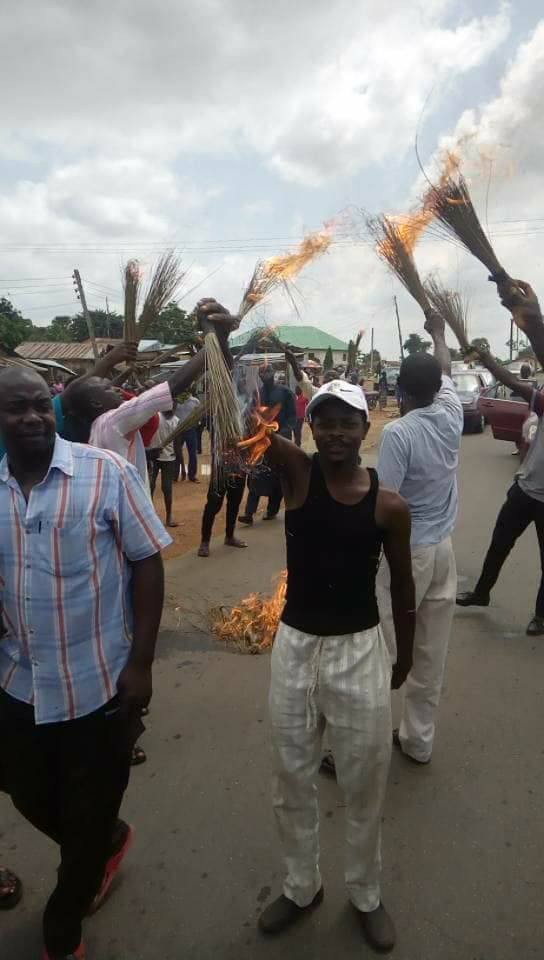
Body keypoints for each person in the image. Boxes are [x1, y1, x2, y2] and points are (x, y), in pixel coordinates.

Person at [0, 366, 170, 960]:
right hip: (18, 683)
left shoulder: (106, 473)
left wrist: (142, 664)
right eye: (16, 409)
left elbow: (148, 562)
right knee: (24, 792)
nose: (31, 418)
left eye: (39, 407)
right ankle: (102, 843)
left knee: (91, 809)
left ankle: (62, 932)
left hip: (99, 686)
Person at [257, 379, 415, 952]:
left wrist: (407, 657)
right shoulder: (298, 475)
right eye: (325, 421)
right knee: (290, 777)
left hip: (359, 650)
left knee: (365, 781)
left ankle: (366, 893)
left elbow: (402, 584)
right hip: (296, 648)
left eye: (348, 421)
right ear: (311, 427)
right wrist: (216, 344)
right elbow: (238, 428)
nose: (336, 433)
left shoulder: (389, 505)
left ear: (366, 427)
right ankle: (302, 887)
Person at [376, 312, 463, 765]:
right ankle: (417, 741)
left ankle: (364, 743)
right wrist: (438, 334)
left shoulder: (398, 433)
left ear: (399, 391)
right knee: (430, 651)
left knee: (382, 650)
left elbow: (385, 504)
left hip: (407, 558)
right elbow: (445, 365)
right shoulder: (450, 413)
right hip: (444, 551)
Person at [64, 300, 234, 490]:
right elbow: (174, 386)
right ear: (96, 403)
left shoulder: (98, 429)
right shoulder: (112, 421)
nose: (117, 389)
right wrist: (214, 339)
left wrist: (217, 339)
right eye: (108, 388)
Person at [457, 279, 544, 636]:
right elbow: (522, 385)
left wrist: (532, 316)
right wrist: (489, 359)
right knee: (499, 542)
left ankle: (541, 615)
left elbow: (533, 365)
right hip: (526, 488)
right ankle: (481, 593)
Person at [238, 364, 296, 524]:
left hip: (280, 441)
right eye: (261, 371)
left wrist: (284, 432)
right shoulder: (258, 394)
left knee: (278, 476)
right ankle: (249, 513)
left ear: (274, 372)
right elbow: (250, 414)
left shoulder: (285, 392)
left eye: (268, 370)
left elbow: (292, 416)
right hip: (260, 442)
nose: (265, 373)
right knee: (256, 474)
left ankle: (272, 510)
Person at [197, 463, 247, 557]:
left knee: (234, 505)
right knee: (212, 506)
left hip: (240, 471)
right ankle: (205, 541)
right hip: (221, 470)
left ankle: (229, 536)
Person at [150, 409, 180, 527]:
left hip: (168, 457)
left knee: (167, 488)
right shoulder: (156, 416)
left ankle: (168, 517)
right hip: (153, 455)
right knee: (150, 486)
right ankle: (150, 516)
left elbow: (177, 442)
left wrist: (177, 459)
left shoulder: (176, 421)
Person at [174, 389, 201, 482]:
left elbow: (199, 415)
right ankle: (175, 475)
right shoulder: (176, 401)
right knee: (176, 453)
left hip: (191, 430)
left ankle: (192, 475)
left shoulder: (195, 401)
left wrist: (195, 423)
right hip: (177, 431)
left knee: (192, 453)